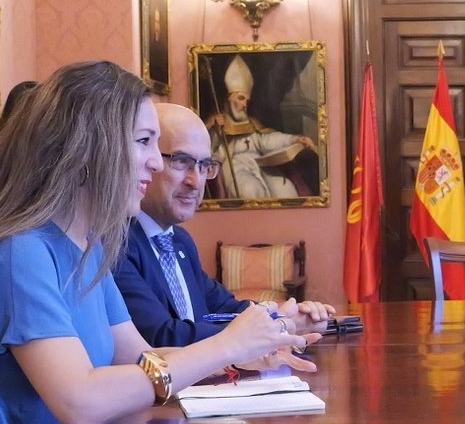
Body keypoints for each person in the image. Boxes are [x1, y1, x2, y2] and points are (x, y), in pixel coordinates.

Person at [0, 61, 315, 424]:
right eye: (143, 141)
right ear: (86, 147)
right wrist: (227, 343)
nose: (156, 161)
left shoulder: (89, 248)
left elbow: (141, 357)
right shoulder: (19, 251)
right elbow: (81, 402)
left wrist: (238, 357)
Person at [114, 102, 333, 357]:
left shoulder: (179, 241)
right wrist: (277, 326)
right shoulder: (115, 243)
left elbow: (224, 306)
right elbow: (162, 336)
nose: (196, 181)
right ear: (147, 160)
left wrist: (283, 315)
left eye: (204, 165)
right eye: (182, 161)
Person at [207, 54, 317, 199]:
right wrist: (214, 129)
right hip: (236, 169)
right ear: (229, 99)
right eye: (240, 98)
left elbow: (267, 140)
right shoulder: (219, 124)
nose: (244, 104)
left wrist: (295, 139)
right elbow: (210, 150)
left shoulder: (252, 124)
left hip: (260, 166)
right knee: (249, 190)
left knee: (285, 189)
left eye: (247, 100)